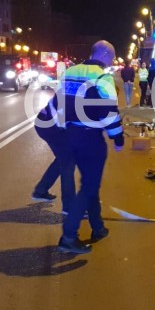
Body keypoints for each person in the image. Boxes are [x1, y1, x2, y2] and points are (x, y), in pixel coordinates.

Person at [55, 40, 124, 254]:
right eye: (111, 57)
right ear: (104, 54)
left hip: (70, 135)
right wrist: (118, 138)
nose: (111, 61)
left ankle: (98, 227)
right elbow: (109, 112)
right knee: (89, 187)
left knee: (90, 184)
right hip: (90, 138)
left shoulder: (70, 72)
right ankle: (68, 236)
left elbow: (59, 103)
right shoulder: (103, 78)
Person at [31, 96, 75, 212]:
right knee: (68, 162)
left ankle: (40, 191)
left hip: (45, 124)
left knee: (62, 159)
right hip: (51, 128)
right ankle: (69, 207)